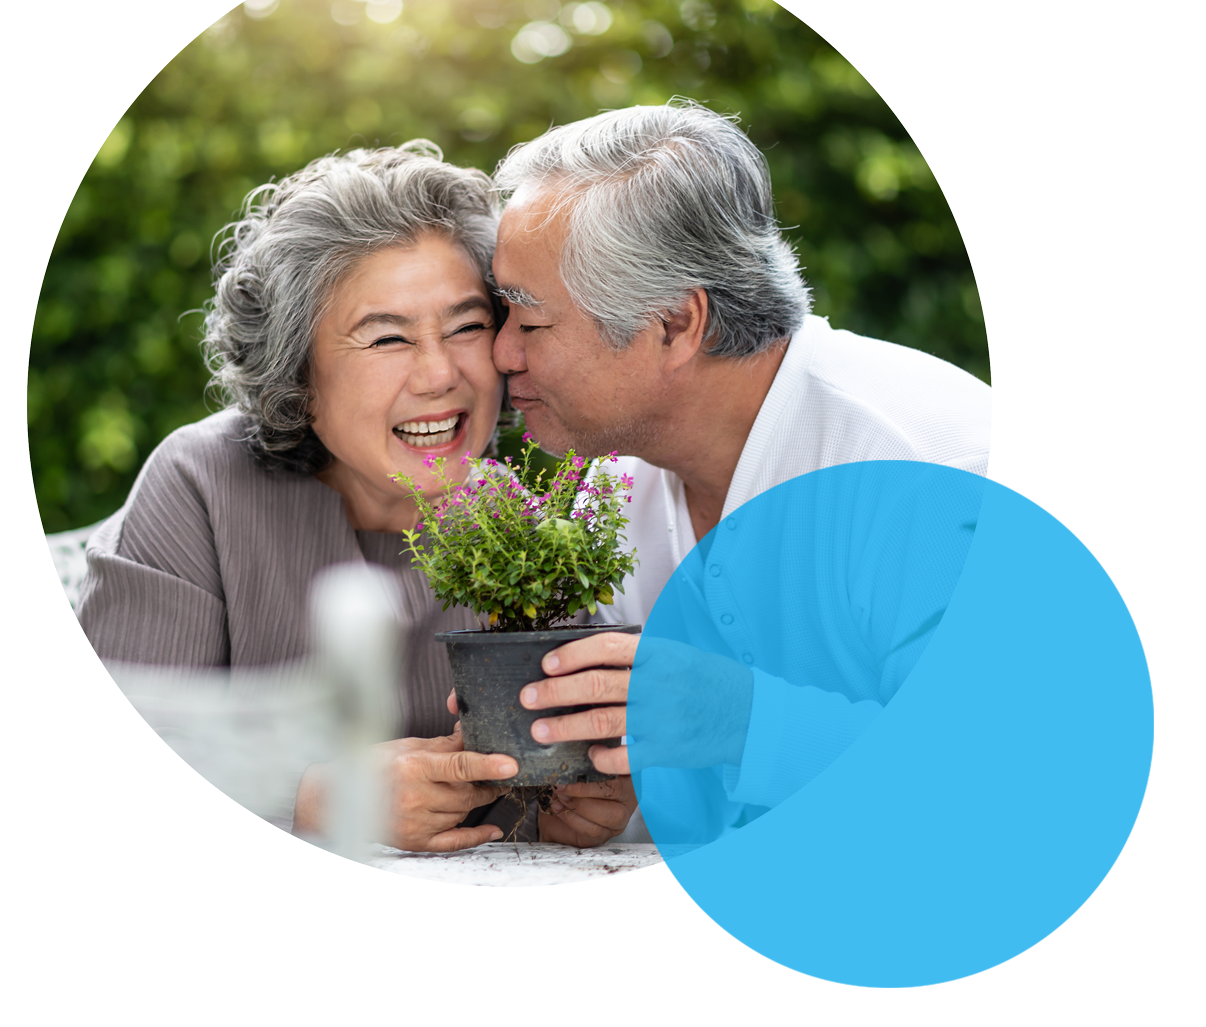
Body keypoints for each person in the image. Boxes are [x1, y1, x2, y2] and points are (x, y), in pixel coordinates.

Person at [76, 141, 637, 850]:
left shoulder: (521, 529)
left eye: (467, 326)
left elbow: (559, 785)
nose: (440, 375)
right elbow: (100, 781)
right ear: (297, 374)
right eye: (385, 339)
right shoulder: (202, 485)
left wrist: (579, 806)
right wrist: (309, 800)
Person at [478, 99, 1008, 842]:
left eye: (530, 323)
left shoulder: (932, 467)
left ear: (674, 324)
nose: (501, 355)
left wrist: (740, 719)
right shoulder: (613, 488)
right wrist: (612, 792)